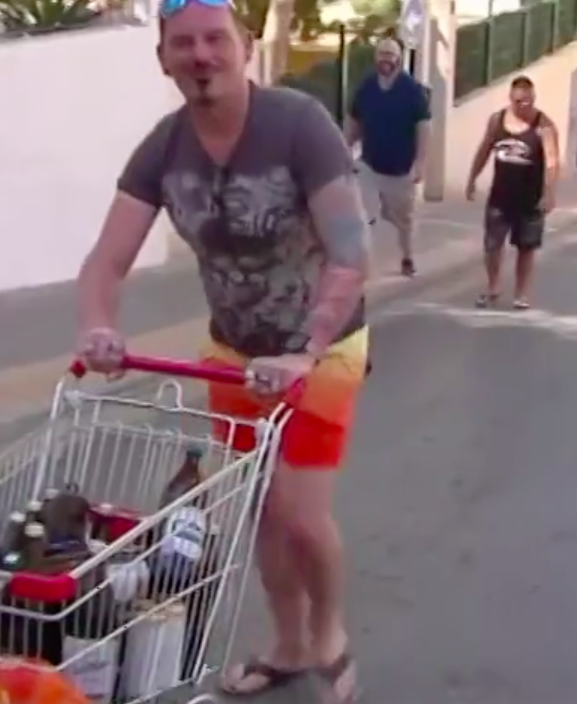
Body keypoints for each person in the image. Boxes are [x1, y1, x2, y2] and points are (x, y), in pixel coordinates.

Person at [74, 1, 369, 701]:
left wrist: (308, 347)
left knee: (301, 511)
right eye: (184, 44)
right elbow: (105, 262)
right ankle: (288, 641)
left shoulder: (299, 125)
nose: (201, 55)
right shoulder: (162, 147)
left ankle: (329, 632)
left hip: (323, 351)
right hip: (232, 352)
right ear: (164, 59)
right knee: (262, 508)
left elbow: (352, 253)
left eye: (215, 40)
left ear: (244, 47)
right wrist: (98, 326)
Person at [465, 75, 560, 310]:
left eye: (528, 101)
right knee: (492, 245)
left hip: (530, 197)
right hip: (500, 195)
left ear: (534, 98)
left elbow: (552, 161)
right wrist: (472, 178)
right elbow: (484, 149)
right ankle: (493, 287)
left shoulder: (544, 126)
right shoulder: (497, 121)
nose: (524, 106)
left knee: (526, 248)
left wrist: (550, 193)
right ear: (511, 99)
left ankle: (521, 293)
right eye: (519, 102)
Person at [344, 37, 431, 278]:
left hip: (400, 169)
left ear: (399, 58)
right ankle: (362, 263)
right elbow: (354, 121)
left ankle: (407, 256)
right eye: (382, 53)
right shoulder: (366, 87)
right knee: (364, 215)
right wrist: (344, 150)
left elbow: (423, 128)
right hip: (369, 164)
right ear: (376, 57)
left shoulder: (412, 90)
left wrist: (420, 164)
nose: (385, 59)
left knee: (404, 219)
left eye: (390, 54)